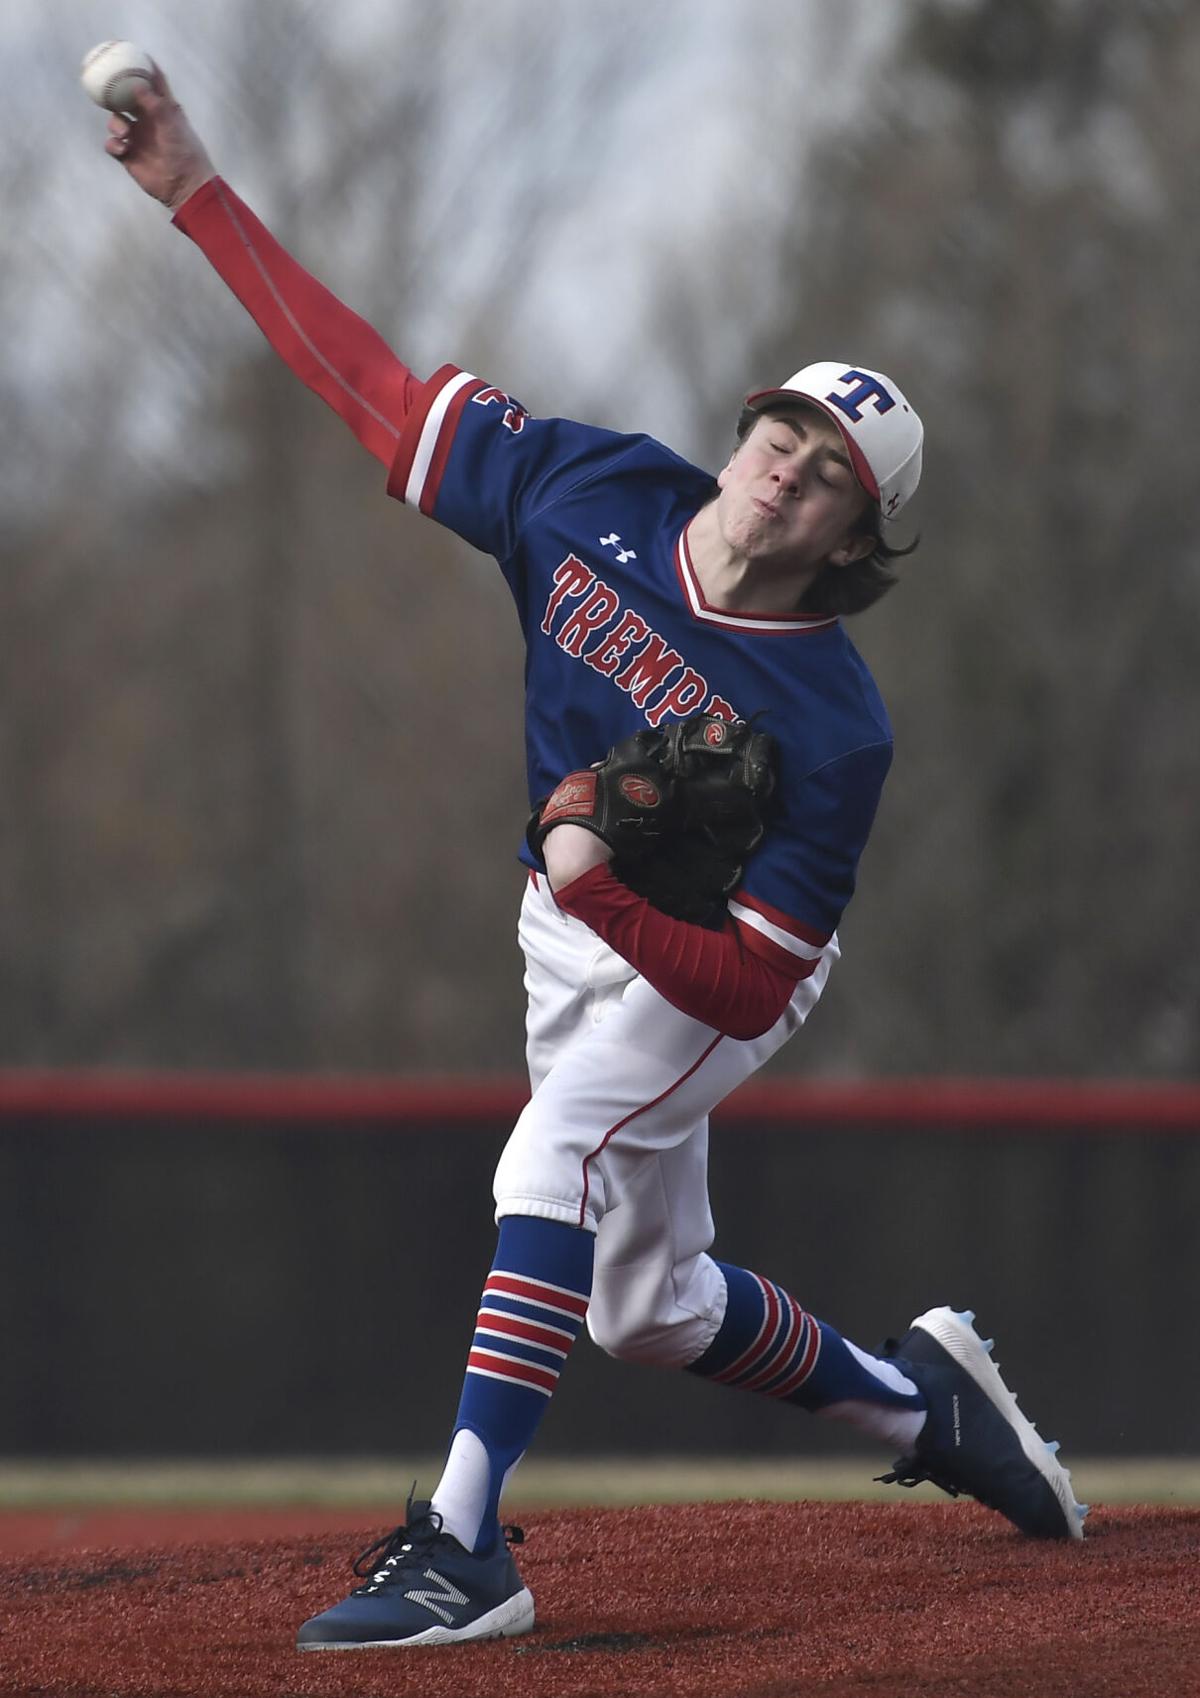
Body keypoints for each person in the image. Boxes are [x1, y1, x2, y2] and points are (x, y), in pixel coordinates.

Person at [98, 64, 1086, 1652]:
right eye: (784, 426)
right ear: (744, 427)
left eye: (833, 469)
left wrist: (596, 876)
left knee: (546, 1154)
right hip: (571, 921)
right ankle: (925, 1407)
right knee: (646, 1306)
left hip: (706, 965)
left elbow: (755, 981)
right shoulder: (589, 489)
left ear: (854, 538)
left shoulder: (836, 728)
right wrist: (200, 191)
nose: (790, 463)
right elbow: (368, 389)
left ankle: (461, 1545)